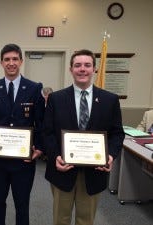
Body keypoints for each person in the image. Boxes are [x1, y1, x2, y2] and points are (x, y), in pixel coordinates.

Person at [42, 49, 125, 225]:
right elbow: (47, 132)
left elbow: (117, 133)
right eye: (78, 65)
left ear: (94, 69)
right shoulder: (56, 99)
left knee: (85, 220)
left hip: (94, 172)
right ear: (71, 69)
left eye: (87, 65)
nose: (82, 69)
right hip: (62, 169)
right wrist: (55, 156)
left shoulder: (110, 100)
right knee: (60, 219)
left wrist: (109, 156)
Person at [0, 43, 45, 225]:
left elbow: (40, 122)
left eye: (15, 59)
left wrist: (39, 148)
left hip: (23, 161)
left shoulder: (34, 88)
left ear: (21, 61)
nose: (11, 63)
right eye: (7, 59)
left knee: (22, 203)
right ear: (1, 63)